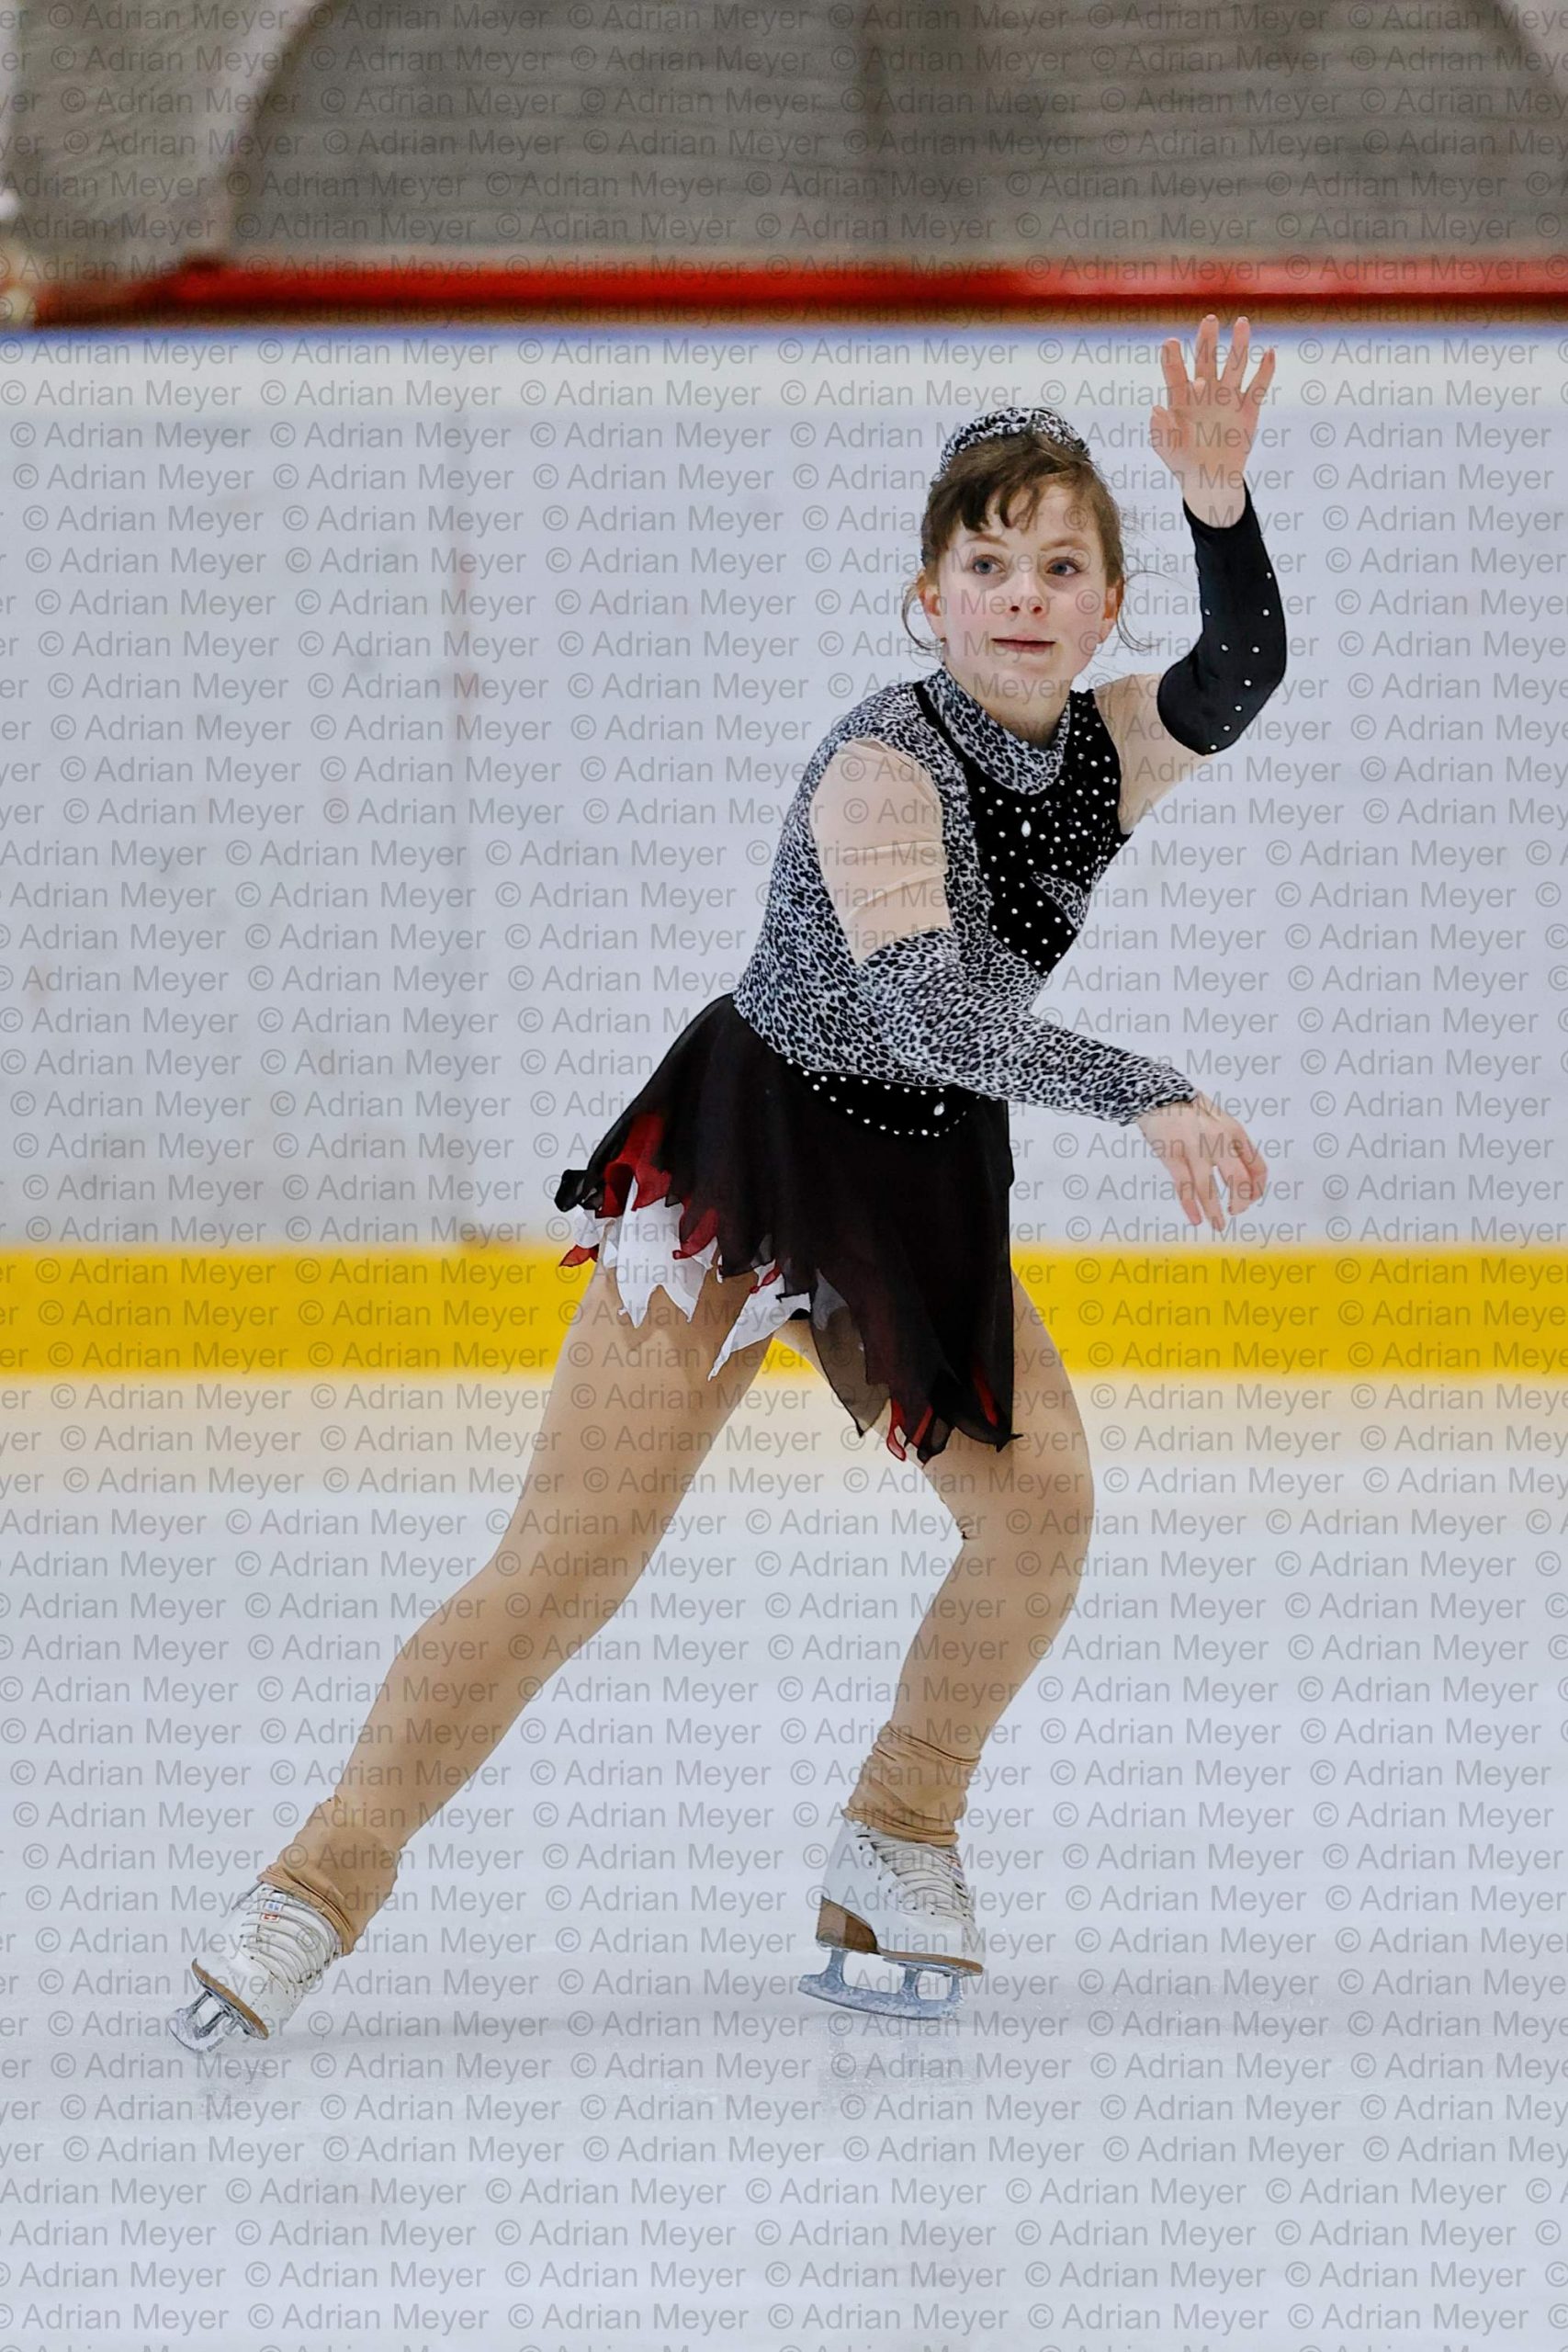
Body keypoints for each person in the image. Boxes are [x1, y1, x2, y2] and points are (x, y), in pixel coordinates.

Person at [169, 314, 1287, 2044]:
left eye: (1062, 567)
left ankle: (900, 1830)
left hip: (913, 1179)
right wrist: (1148, 1089)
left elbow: (1243, 675)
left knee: (1041, 1513)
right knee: (569, 1562)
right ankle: (318, 1882)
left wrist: (1218, 505)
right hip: (750, 1159)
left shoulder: (1109, 750)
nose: (1023, 594)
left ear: (1105, 608)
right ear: (929, 597)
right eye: (987, 563)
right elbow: (929, 1010)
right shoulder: (880, 764)